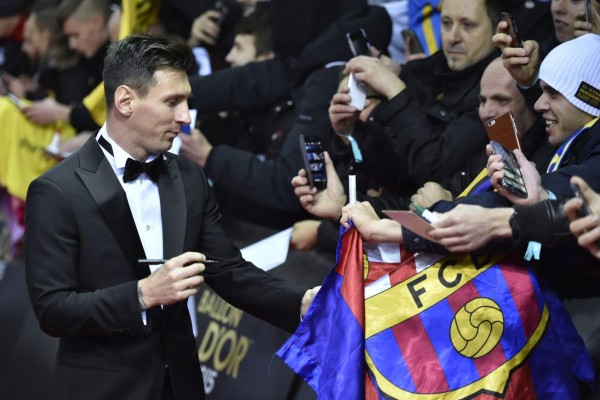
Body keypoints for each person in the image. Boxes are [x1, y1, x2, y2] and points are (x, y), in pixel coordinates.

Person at [24, 33, 318, 400]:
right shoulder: (57, 190)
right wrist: (142, 295)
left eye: (187, 102)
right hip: (104, 389)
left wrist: (301, 302)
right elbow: (53, 310)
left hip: (182, 385)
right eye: (172, 102)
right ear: (125, 100)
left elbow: (228, 270)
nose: (185, 117)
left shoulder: (189, 176)